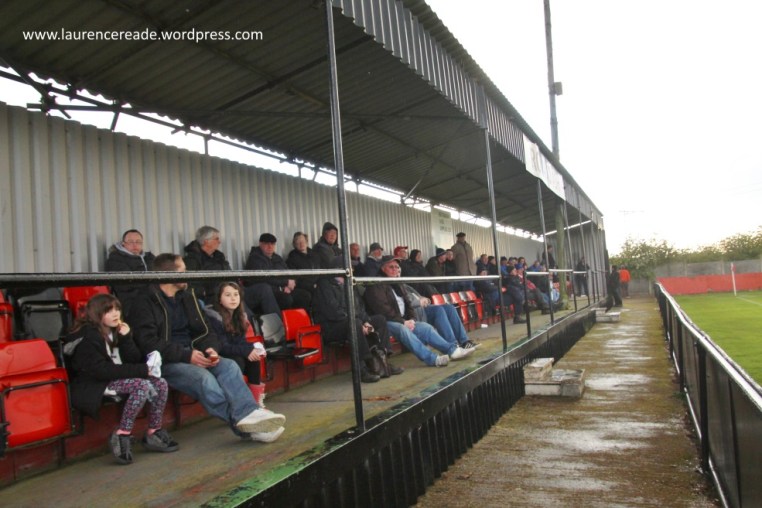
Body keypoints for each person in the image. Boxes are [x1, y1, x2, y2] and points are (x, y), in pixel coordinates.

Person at [130, 253, 286, 443]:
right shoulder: (144, 302)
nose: (187, 274)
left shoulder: (188, 297)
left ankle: (250, 416)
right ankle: (249, 426)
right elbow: (148, 343)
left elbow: (205, 331)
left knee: (229, 366)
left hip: (195, 354)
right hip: (165, 362)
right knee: (204, 379)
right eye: (183, 271)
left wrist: (210, 349)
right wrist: (187, 355)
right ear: (169, 275)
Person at [67, 293, 178, 465]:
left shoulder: (117, 331)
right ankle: (122, 435)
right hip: (95, 384)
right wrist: (143, 370)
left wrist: (126, 338)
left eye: (117, 309)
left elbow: (133, 359)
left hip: (117, 378)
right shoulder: (88, 336)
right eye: (109, 311)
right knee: (141, 385)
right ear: (96, 314)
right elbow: (101, 371)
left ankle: (154, 432)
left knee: (160, 383)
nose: (115, 314)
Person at [364, 256, 475, 367]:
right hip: (385, 322)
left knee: (426, 328)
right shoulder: (376, 284)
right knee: (403, 329)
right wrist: (403, 322)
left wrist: (412, 319)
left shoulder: (397, 283)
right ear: (383, 268)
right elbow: (383, 309)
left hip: (402, 320)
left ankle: (452, 350)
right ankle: (432, 359)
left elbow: (408, 304)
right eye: (391, 267)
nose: (395, 269)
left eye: (396, 267)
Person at [313, 272, 403, 382]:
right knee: (354, 324)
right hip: (331, 327)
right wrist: (360, 323)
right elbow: (333, 312)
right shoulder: (324, 285)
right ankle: (362, 369)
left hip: (353, 321)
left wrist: (366, 321)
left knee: (380, 320)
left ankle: (383, 363)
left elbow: (360, 307)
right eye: (349, 267)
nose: (351, 270)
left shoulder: (350, 283)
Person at [204, 282, 267, 407]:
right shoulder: (213, 318)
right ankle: (238, 403)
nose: (233, 298)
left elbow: (240, 342)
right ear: (219, 299)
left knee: (254, 359)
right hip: (216, 355)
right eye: (228, 295)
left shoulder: (239, 316)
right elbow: (222, 347)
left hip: (231, 351)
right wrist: (247, 350)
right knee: (238, 360)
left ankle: (255, 403)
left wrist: (253, 348)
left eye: (236, 294)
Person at [245, 233, 310, 311]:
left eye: (272, 244)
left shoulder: (277, 258)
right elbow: (265, 278)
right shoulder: (255, 258)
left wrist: (289, 284)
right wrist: (285, 283)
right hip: (269, 292)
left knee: (304, 296)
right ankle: (282, 319)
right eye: (267, 244)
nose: (270, 246)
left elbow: (289, 272)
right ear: (260, 244)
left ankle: (299, 318)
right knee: (286, 299)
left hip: (283, 288)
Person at [105, 229, 156, 318]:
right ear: (123, 244)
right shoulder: (116, 259)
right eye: (130, 242)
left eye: (138, 242)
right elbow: (125, 284)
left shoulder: (150, 258)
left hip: (154, 299)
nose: (135, 245)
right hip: (131, 302)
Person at [286, 232, 320, 305]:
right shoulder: (292, 258)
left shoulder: (315, 255)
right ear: (294, 245)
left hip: (317, 284)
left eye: (303, 241)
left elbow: (320, 270)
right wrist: (311, 285)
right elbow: (295, 279)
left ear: (306, 242)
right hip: (303, 287)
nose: (301, 244)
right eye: (298, 242)